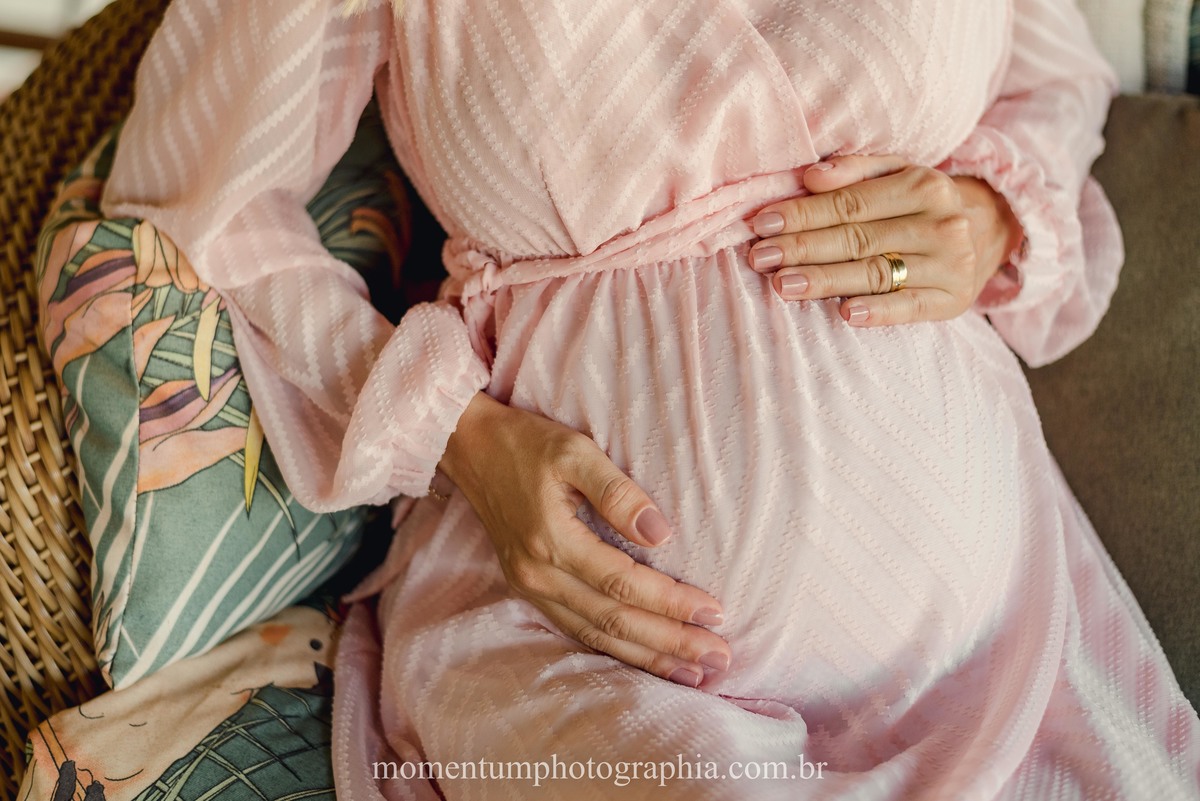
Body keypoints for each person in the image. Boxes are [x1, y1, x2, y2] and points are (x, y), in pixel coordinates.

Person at [102, 0, 1200, 797]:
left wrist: (992, 214)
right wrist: (455, 433)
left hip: (998, 636)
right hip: (567, 635)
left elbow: (1052, 84)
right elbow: (208, 199)